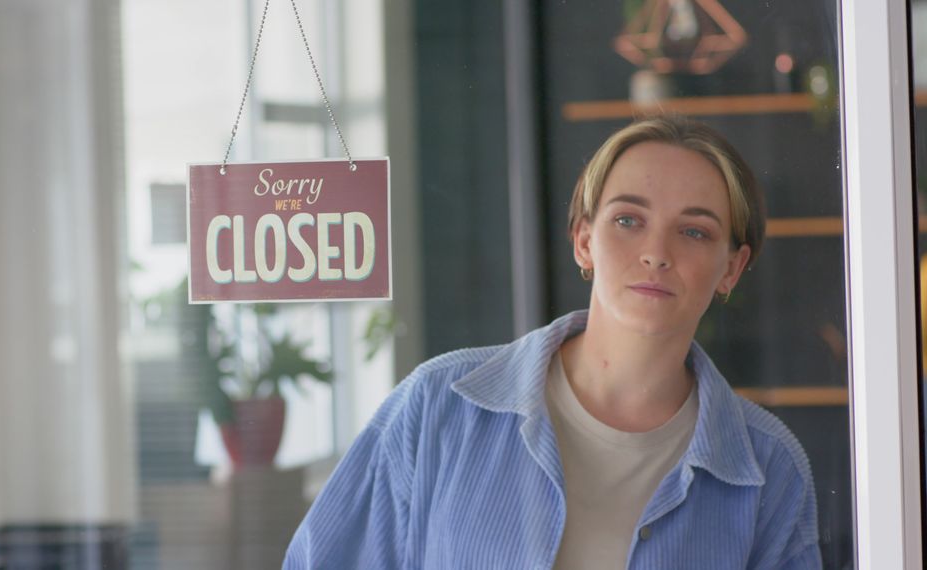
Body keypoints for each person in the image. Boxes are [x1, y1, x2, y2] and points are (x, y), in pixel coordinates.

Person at [283, 116, 821, 569]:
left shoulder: (769, 470)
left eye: (695, 231)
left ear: (732, 267)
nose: (656, 252)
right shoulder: (436, 408)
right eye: (628, 220)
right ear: (584, 241)